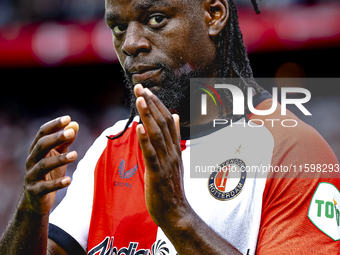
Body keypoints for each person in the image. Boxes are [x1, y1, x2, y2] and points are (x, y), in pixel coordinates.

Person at [0, 0, 339, 254]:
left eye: (156, 19)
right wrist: (31, 210)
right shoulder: (109, 148)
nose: (131, 44)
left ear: (214, 14)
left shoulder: (294, 150)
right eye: (118, 27)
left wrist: (177, 217)